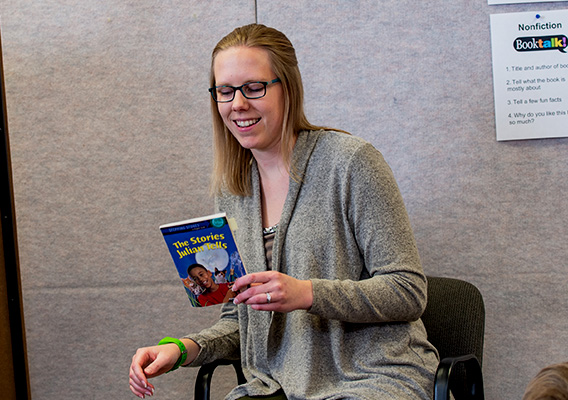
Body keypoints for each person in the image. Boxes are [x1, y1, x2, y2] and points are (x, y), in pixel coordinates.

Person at [129, 23, 439, 400]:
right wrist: (182, 349)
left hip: (373, 377)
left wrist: (306, 293)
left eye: (254, 88)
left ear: (288, 87)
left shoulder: (352, 163)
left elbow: (407, 291)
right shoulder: (234, 189)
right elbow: (242, 319)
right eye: (225, 91)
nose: (237, 104)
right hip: (276, 385)